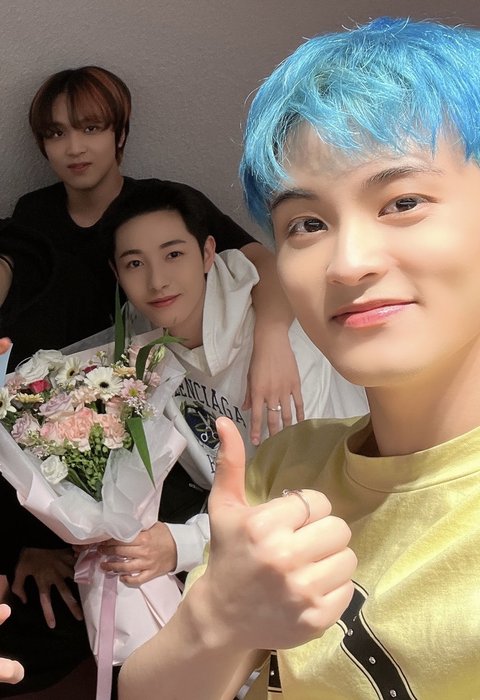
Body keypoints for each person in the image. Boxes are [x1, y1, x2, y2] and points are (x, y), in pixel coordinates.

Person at [118, 16, 480, 700]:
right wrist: (218, 620)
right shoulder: (287, 467)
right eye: (307, 224)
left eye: (402, 202)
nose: (347, 263)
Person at [0, 64, 304, 694]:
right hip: (91, 447)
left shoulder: (165, 209)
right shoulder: (33, 222)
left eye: (91, 128)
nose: (74, 147)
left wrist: (275, 340)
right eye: (56, 134)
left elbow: (262, 265)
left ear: (120, 133)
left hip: (176, 468)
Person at [96, 181, 367, 582]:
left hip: (335, 532)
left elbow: (307, 489)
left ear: (208, 253)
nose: (157, 281)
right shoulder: (137, 335)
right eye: (135, 264)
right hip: (224, 520)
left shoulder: (284, 348)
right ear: (116, 272)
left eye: (174, 254)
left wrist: (184, 544)